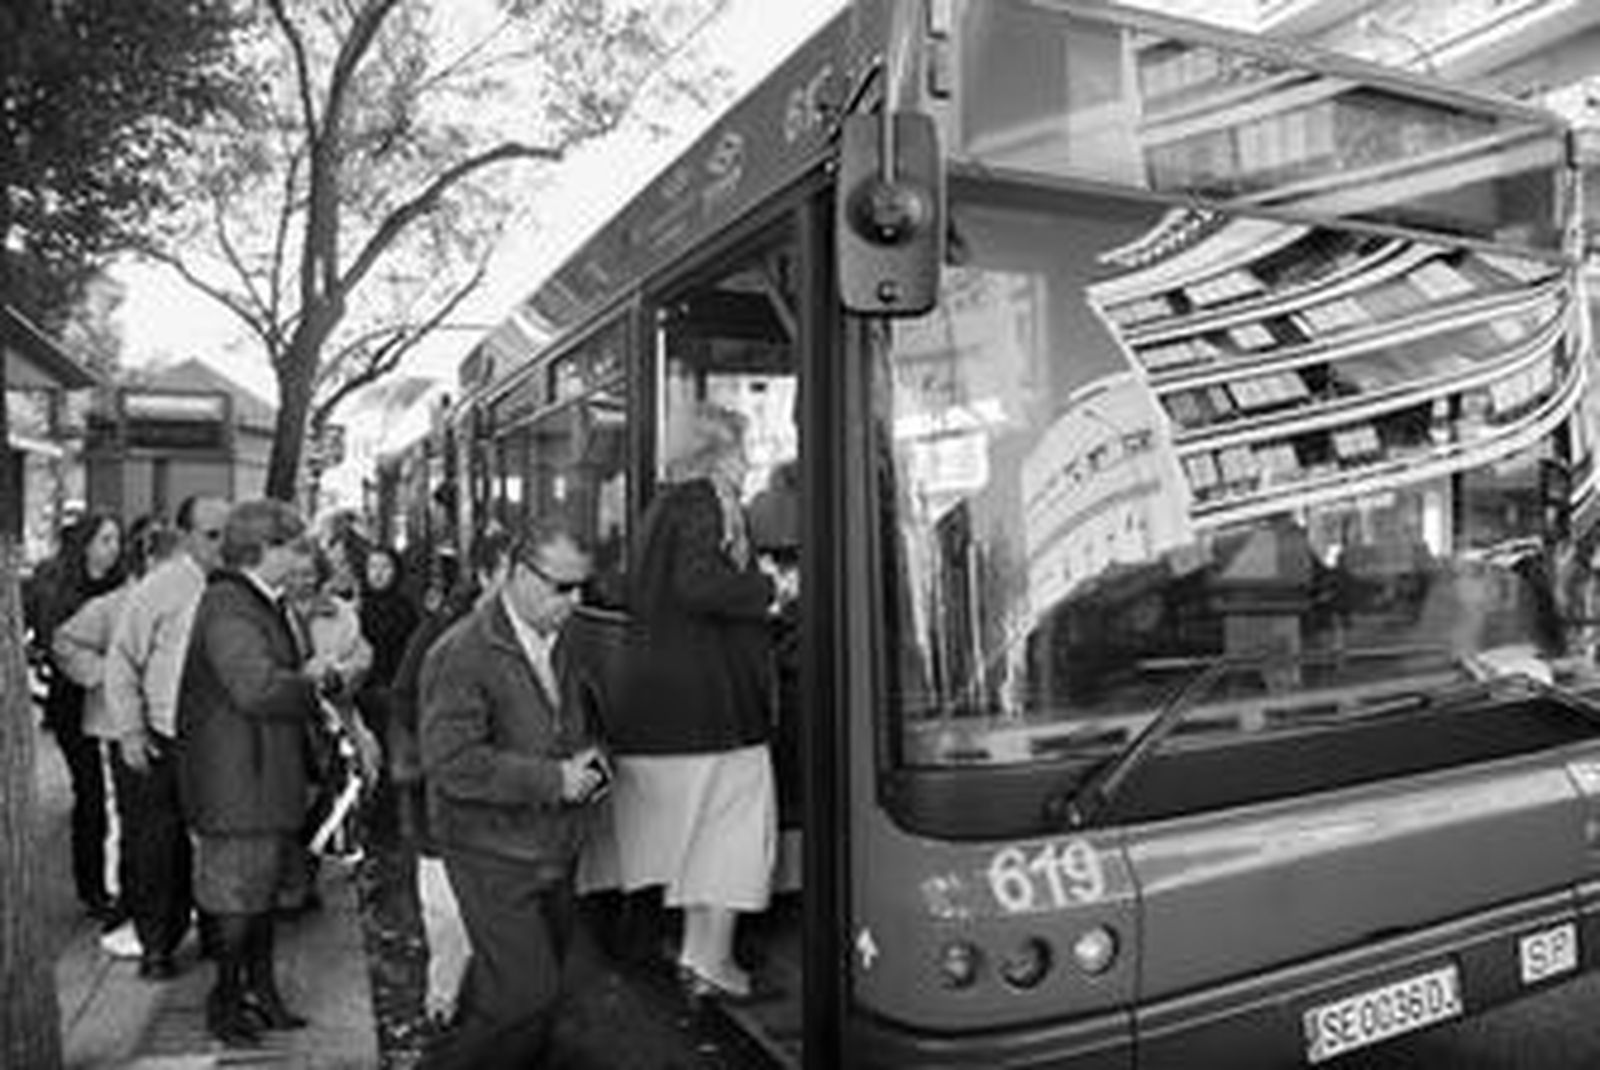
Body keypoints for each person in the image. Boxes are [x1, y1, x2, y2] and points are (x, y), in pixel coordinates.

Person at [600, 402, 792, 1001]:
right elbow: (700, 584)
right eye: (743, 448)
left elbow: (644, 587)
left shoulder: (662, 505)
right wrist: (773, 589)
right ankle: (712, 962)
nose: (750, 460)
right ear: (718, 454)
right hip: (712, 709)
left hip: (664, 710)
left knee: (701, 842)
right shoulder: (705, 502)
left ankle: (700, 956)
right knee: (734, 841)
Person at [418, 519, 604, 1070]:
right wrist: (555, 780)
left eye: (581, 587)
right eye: (561, 587)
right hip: (491, 852)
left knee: (525, 1000)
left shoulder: (558, 636)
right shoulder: (462, 651)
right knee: (527, 995)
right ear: (519, 576)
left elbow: (567, 724)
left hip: (548, 847)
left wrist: (592, 761)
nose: (574, 601)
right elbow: (452, 764)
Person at [176, 499, 322, 1047]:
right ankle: (226, 1006)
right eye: (292, 545)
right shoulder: (230, 607)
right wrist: (314, 684)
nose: (301, 555)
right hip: (237, 783)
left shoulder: (254, 601)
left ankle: (259, 995)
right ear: (264, 551)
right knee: (238, 901)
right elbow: (255, 688)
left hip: (254, 777)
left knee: (257, 898)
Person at [104, 495, 231, 979]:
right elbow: (122, 661)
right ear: (187, 537)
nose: (222, 545)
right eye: (212, 535)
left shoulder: (237, 589)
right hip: (161, 737)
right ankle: (158, 943)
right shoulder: (160, 588)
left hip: (218, 742)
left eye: (228, 534)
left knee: (219, 842)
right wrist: (131, 732)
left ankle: (221, 935)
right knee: (157, 847)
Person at [391, 530, 511, 1029]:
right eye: (511, 576)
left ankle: (493, 1000)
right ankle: (445, 997)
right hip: (446, 787)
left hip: (500, 790)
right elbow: (403, 698)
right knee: (445, 902)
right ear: (485, 576)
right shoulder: (445, 632)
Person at [34, 512, 128, 929]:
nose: (114, 548)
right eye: (106, 539)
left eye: (117, 540)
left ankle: (116, 879)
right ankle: (93, 888)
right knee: (90, 793)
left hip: (115, 705)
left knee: (117, 796)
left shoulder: (123, 587)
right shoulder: (61, 590)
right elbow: (57, 643)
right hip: (75, 704)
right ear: (86, 543)